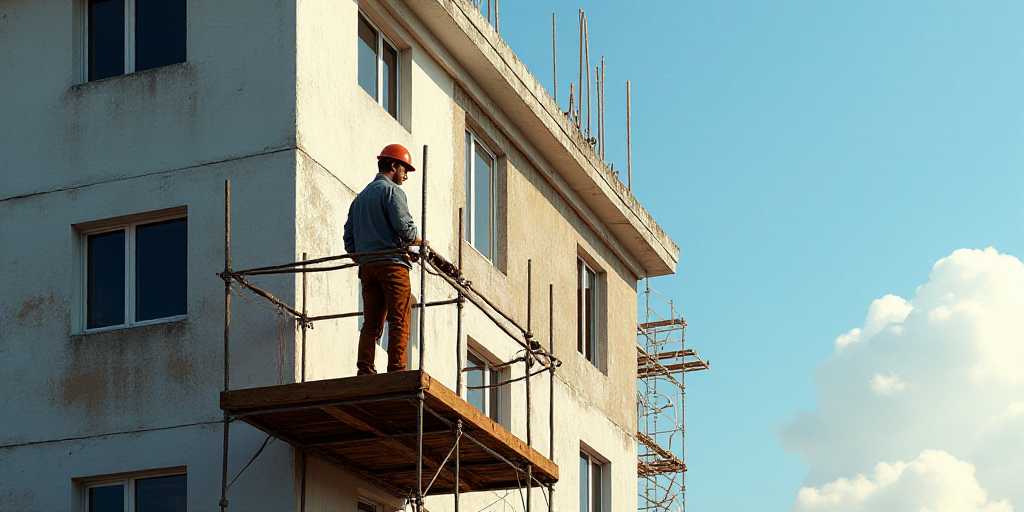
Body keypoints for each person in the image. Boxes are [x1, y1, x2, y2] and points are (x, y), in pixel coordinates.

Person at [343, 144, 422, 375]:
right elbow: (404, 229)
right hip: (393, 267)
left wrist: (366, 257)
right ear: (393, 166)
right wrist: (416, 240)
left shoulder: (360, 199)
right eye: (404, 169)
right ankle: (396, 371)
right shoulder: (392, 192)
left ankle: (365, 368)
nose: (406, 175)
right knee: (399, 320)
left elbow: (349, 240)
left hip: (368, 268)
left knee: (371, 323)